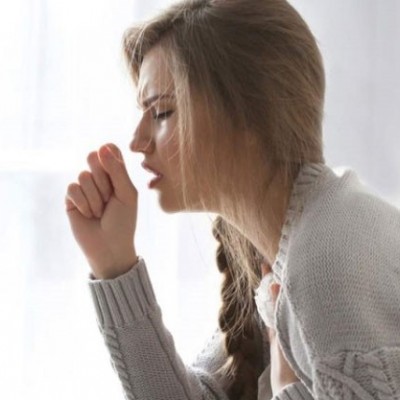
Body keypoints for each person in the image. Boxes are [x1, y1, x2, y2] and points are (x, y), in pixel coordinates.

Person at [64, 0, 400, 399]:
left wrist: (287, 389)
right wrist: (114, 266)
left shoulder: (326, 265)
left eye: (162, 112)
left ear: (252, 115)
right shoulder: (283, 252)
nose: (137, 142)